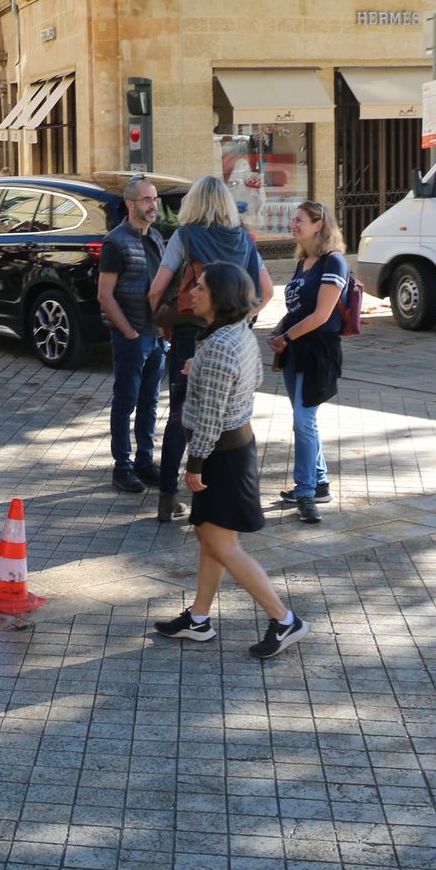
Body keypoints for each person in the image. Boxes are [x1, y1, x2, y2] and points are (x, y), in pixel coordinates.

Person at [153, 262, 310, 661]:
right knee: (210, 537)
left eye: (201, 288)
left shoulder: (221, 346)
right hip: (230, 449)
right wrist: (198, 370)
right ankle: (199, 619)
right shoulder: (232, 334)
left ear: (219, 299)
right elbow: (245, 380)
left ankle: (284, 619)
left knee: (223, 544)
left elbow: (209, 416)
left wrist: (194, 464)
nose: (193, 292)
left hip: (221, 455)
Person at [147, 175, 274, 524]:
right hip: (231, 336)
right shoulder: (244, 239)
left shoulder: (185, 236)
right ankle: (214, 486)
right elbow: (267, 291)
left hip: (189, 333)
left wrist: (163, 321)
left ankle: (168, 497)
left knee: (181, 413)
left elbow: (156, 289)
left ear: (194, 204)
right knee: (227, 411)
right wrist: (239, 320)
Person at [269, 201, 348, 523]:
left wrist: (286, 337)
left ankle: (305, 491)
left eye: (299, 220)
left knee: (304, 421)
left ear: (318, 225)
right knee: (304, 420)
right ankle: (320, 482)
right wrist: (279, 328)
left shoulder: (334, 262)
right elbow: (298, 309)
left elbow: (321, 315)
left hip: (318, 352)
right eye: (293, 220)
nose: (293, 225)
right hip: (293, 353)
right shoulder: (303, 263)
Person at [98, 178, 165, 493]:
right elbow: (105, 294)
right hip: (132, 336)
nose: (153, 204)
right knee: (126, 401)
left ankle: (144, 461)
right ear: (130, 203)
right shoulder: (116, 241)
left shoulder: (158, 238)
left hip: (156, 335)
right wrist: (127, 330)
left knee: (150, 402)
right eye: (146, 199)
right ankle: (122, 466)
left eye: (154, 198)